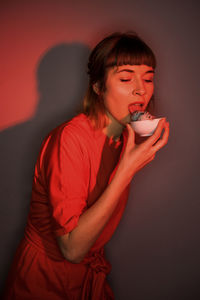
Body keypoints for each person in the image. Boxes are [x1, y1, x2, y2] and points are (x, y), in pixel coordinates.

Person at [4, 32, 169, 300]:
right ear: (98, 86)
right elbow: (72, 249)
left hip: (86, 280)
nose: (141, 89)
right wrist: (127, 169)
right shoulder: (70, 138)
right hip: (44, 281)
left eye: (148, 78)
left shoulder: (124, 137)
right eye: (126, 78)